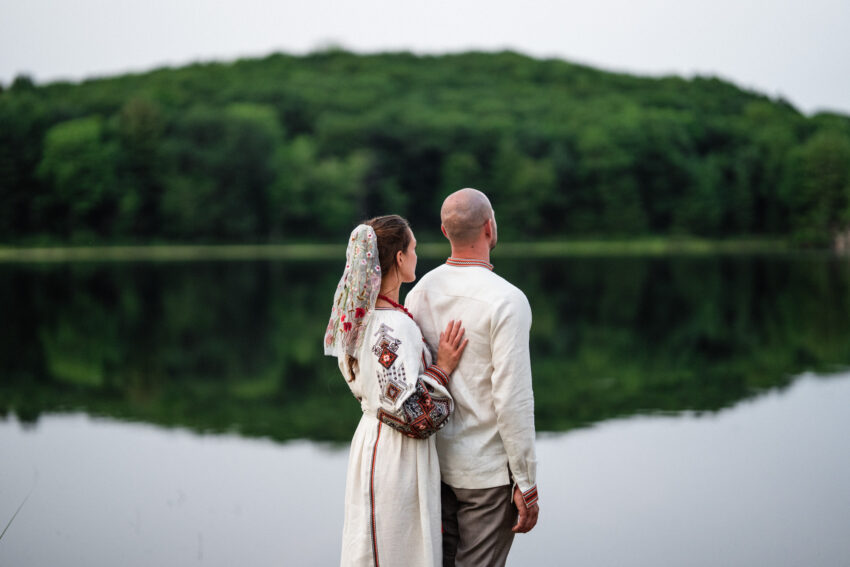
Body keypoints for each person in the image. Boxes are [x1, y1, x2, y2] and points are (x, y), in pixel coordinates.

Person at [323, 215, 468, 567]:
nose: (417, 255)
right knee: (396, 546)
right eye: (414, 248)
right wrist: (442, 368)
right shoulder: (395, 325)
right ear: (400, 259)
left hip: (370, 440)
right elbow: (413, 414)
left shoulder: (358, 320)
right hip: (397, 454)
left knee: (374, 543)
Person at [405, 188, 539, 567]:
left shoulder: (421, 292)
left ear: (445, 232)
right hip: (485, 475)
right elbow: (512, 399)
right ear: (489, 227)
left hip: (433, 465)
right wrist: (525, 482)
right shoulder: (508, 300)